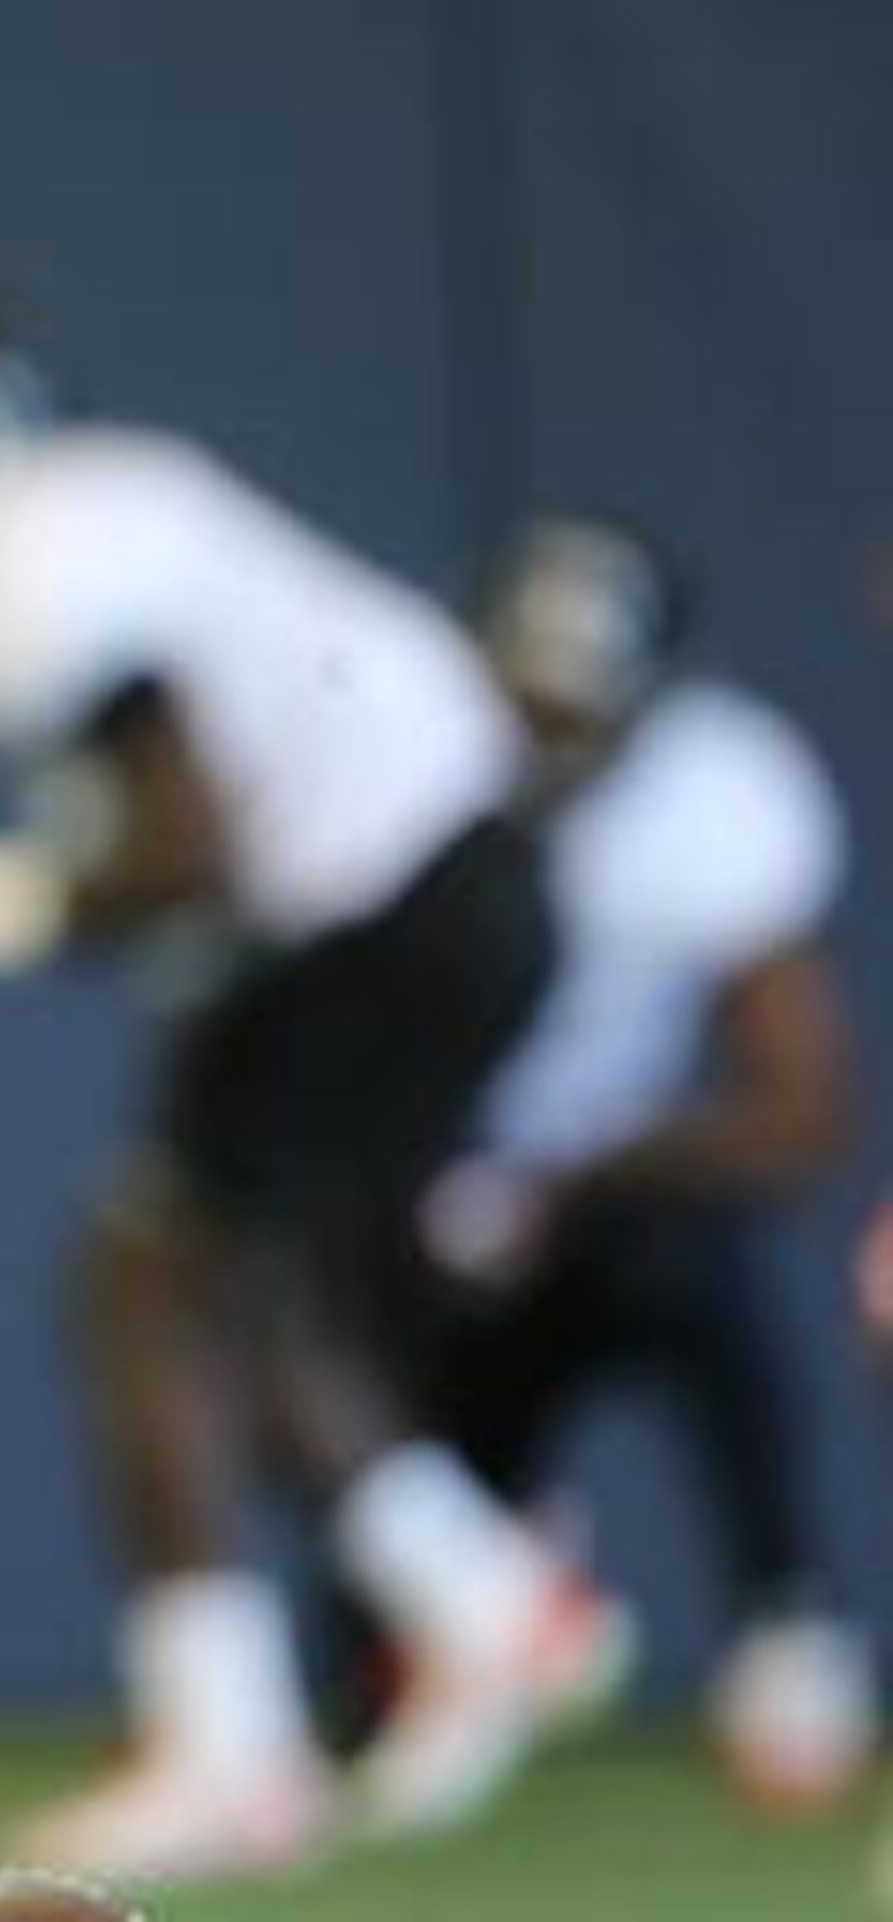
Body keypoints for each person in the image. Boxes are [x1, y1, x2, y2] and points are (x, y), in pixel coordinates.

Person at [0, 268, 614, 1885]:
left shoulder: (10, 566)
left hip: (386, 907)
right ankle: (486, 1604)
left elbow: (184, 851)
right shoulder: (94, 496)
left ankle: (233, 1747)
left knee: (147, 1278)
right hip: (429, 892)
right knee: (222, 1285)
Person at [399, 514, 868, 1815]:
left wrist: (570, 1180)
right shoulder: (387, 765)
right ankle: (452, 1628)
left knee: (699, 1266)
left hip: (619, 1190)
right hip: (423, 1189)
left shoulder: (721, 794)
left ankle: (788, 1632)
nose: (548, 742)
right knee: (325, 1308)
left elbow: (798, 1115)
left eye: (579, 715)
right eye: (523, 704)